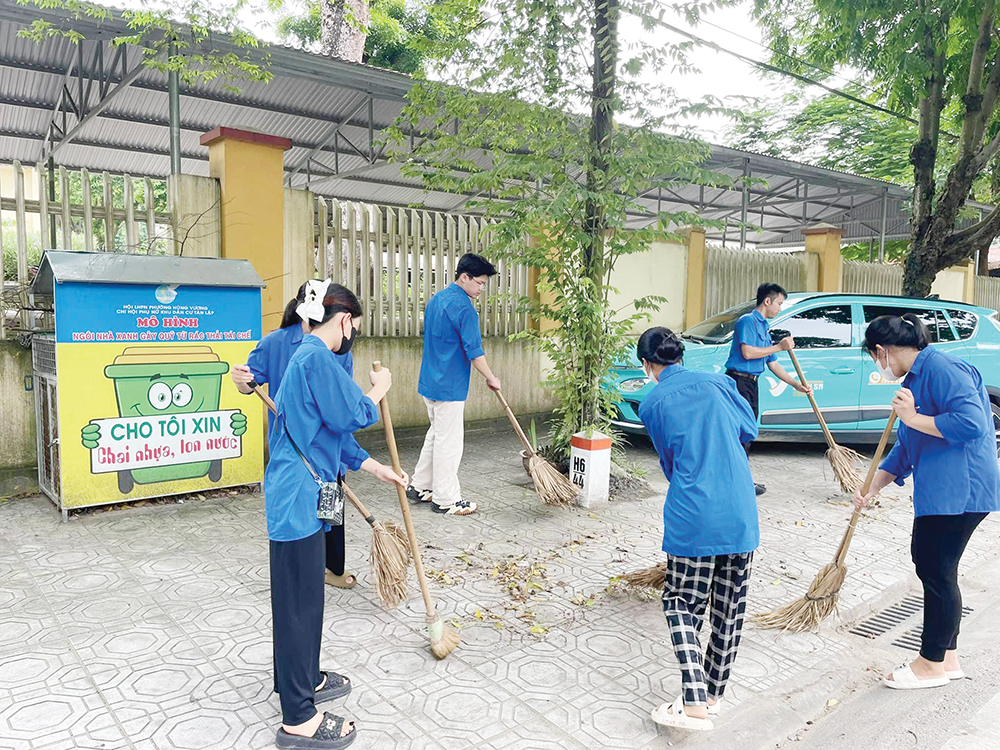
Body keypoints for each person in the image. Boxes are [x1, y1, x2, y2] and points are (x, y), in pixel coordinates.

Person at [266, 282, 407, 749]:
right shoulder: (316, 359)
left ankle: (302, 680)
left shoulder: (306, 357)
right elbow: (352, 414)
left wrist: (376, 468)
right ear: (344, 320)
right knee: (298, 606)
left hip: (304, 492)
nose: (354, 337)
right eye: (356, 328)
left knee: (305, 601)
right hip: (296, 499)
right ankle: (298, 719)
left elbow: (334, 434)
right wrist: (378, 390)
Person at [854, 313, 999, 690]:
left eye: (874, 357)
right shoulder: (916, 377)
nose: (877, 366)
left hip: (961, 490)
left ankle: (930, 664)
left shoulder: (944, 369)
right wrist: (874, 485)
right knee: (936, 568)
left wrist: (914, 417)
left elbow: (973, 424)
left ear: (882, 350)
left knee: (934, 569)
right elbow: (908, 444)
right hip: (942, 490)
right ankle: (946, 658)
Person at [637, 326, 760, 732]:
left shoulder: (652, 403)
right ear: (681, 356)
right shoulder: (721, 383)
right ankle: (712, 695)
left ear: (647, 365)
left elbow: (669, 462)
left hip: (694, 515)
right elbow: (750, 431)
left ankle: (692, 701)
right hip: (740, 510)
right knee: (729, 608)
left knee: (680, 603)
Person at [231, 280, 358, 590]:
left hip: (329, 449)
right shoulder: (275, 343)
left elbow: (343, 403)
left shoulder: (338, 347)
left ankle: (333, 568)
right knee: (303, 516)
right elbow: (249, 384)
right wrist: (242, 380)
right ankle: (305, 573)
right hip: (294, 450)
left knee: (332, 507)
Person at [407, 253, 502, 516]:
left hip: (429, 381)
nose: (482, 288)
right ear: (464, 277)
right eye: (480, 283)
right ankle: (446, 500)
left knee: (436, 435)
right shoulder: (465, 309)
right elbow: (474, 351)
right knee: (449, 443)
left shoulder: (436, 300)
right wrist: (491, 377)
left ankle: (419, 486)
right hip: (450, 386)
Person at [725, 282, 810, 495]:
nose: (780, 308)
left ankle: (740, 480)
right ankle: (737, 482)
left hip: (751, 383)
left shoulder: (764, 326)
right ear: (767, 301)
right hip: (738, 382)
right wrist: (780, 346)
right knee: (740, 432)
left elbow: (772, 363)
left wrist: (795, 384)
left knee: (747, 432)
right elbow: (748, 353)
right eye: (779, 304)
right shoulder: (747, 321)